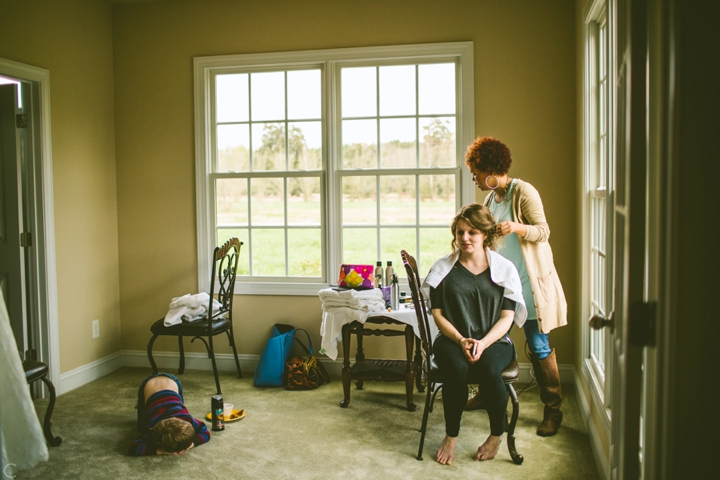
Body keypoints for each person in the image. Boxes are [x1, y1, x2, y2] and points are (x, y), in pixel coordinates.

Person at [464, 136, 568, 437]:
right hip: (503, 287)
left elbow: (543, 231)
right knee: (493, 341)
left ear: (491, 168)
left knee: (538, 346)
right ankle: (486, 393)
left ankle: (553, 410)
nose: (474, 177)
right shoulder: (488, 200)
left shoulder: (523, 192)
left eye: (476, 171)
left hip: (530, 284)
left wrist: (517, 227)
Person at [422, 203, 527, 465]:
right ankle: (451, 435)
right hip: (451, 339)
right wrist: (461, 340)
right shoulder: (442, 270)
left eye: (472, 232)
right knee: (456, 368)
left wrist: (483, 342)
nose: (465, 238)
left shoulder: (504, 270)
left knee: (491, 368)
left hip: (495, 340)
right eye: (460, 232)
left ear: (485, 234)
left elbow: (507, 318)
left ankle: (496, 435)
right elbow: (438, 315)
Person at [128, 372, 210, 456]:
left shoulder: (187, 419)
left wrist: (191, 444)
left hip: (173, 383)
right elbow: (133, 448)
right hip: (149, 384)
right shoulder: (151, 427)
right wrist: (162, 451)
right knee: (141, 428)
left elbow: (206, 432)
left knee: (179, 403)